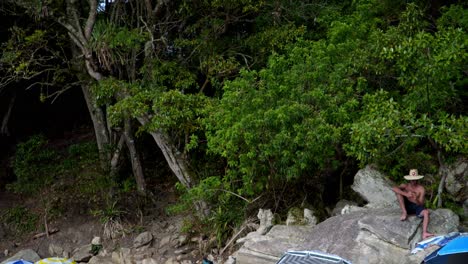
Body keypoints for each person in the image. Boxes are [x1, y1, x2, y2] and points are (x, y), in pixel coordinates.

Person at [392, 169, 434, 240]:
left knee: (426, 212)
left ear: (417, 179)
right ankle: (404, 212)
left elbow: (421, 203)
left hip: (416, 206)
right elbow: (394, 188)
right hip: (406, 206)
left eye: (415, 180)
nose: (414, 181)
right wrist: (406, 194)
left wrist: (415, 199)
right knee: (399, 194)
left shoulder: (421, 189)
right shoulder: (405, 186)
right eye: (412, 180)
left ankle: (424, 233)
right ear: (409, 180)